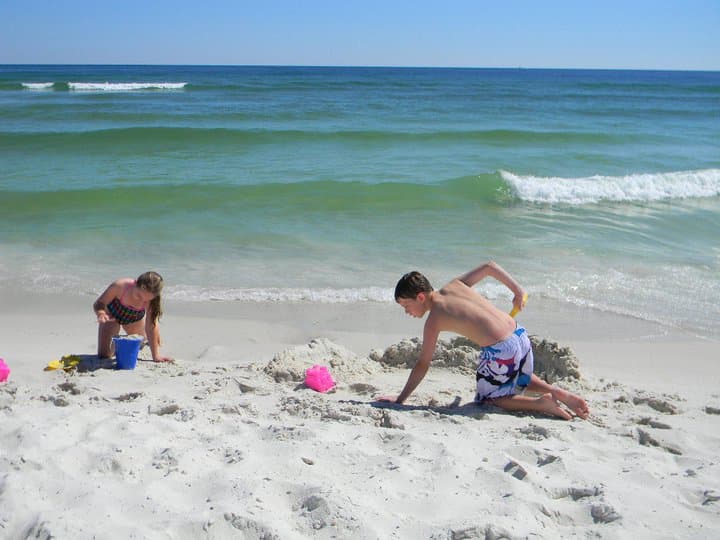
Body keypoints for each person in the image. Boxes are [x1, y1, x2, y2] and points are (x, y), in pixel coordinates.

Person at [378, 261, 588, 420]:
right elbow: (489, 266)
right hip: (519, 335)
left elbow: (423, 364)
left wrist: (399, 400)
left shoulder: (434, 320)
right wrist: (517, 290)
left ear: (421, 297)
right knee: (518, 378)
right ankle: (555, 391)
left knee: (488, 398)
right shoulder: (455, 284)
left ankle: (542, 403)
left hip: (501, 348)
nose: (407, 312)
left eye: (406, 306)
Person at [93, 271, 172, 363]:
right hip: (111, 316)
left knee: (140, 343)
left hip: (134, 319)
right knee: (104, 356)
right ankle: (116, 344)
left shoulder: (152, 300)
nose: (142, 300)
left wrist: (156, 356)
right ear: (136, 284)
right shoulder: (120, 286)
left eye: (147, 300)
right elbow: (99, 303)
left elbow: (151, 325)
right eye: (139, 296)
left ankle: (148, 338)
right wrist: (101, 313)